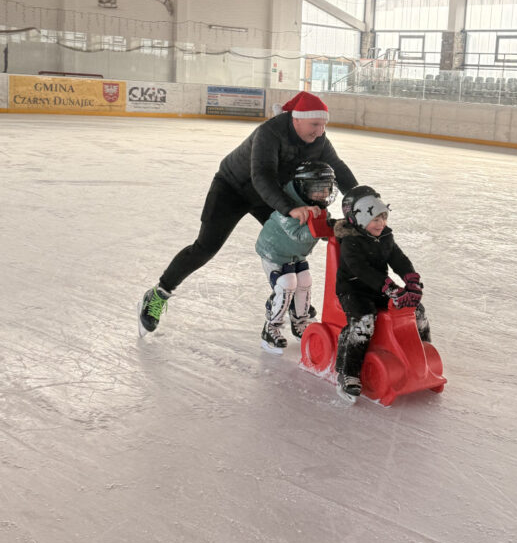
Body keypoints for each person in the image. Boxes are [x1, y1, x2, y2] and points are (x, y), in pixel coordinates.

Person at [139, 91, 357, 335]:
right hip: (233, 189)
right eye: (315, 124)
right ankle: (158, 293)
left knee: (296, 238)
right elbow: (261, 175)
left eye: (323, 125)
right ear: (297, 119)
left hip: (271, 194)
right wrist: (289, 207)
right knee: (206, 247)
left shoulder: (318, 140)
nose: (319, 131)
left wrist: (360, 197)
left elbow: (338, 168)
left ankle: (293, 301)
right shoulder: (269, 133)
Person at [333, 184, 429, 398]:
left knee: (416, 310)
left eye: (383, 218)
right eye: (375, 219)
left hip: (379, 288)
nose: (381, 224)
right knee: (365, 321)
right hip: (353, 290)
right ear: (359, 220)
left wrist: (411, 281)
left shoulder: (385, 236)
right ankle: (349, 372)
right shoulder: (351, 242)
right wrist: (391, 288)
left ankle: (424, 354)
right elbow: (361, 270)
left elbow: (398, 259)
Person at [255, 161, 336, 353]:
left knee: (304, 280)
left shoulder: (318, 206)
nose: (323, 193)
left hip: (296, 255)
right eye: (317, 188)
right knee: (287, 283)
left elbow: (323, 230)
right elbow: (298, 235)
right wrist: (325, 229)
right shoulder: (288, 207)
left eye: (326, 188)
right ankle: (271, 327)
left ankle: (299, 322)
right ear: (302, 187)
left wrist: (335, 229)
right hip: (274, 253)